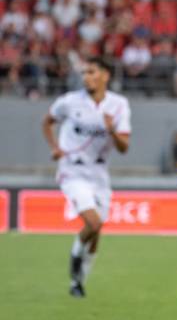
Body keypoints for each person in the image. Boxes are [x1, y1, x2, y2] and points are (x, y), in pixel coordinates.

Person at [42, 57, 131, 297]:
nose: (86, 77)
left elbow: (124, 147)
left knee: (96, 233)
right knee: (93, 223)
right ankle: (74, 266)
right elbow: (47, 122)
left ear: (105, 75)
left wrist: (111, 129)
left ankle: (78, 282)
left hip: (99, 175)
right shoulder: (70, 102)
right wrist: (54, 147)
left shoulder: (118, 105)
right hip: (72, 172)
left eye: (91, 72)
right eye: (84, 73)